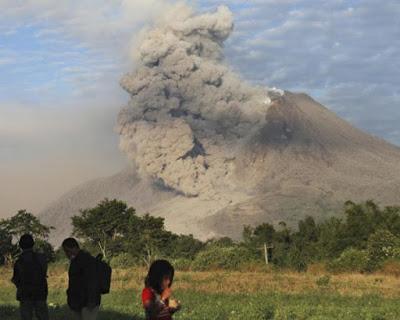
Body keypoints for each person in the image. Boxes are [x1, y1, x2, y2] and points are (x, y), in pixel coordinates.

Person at [12, 234, 49, 320]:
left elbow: (16, 279)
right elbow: (44, 272)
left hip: (25, 293)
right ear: (33, 244)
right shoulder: (41, 258)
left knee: (26, 316)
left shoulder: (19, 261)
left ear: (20, 246)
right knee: (43, 316)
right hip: (40, 292)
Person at [62, 237, 101, 320]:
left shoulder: (86, 260)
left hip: (88, 302)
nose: (67, 254)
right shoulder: (75, 261)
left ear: (74, 248)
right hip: (78, 301)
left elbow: (93, 281)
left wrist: (91, 301)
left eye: (67, 251)